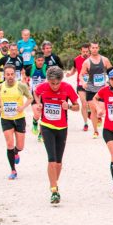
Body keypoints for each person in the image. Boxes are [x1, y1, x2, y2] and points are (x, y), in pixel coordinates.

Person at [32, 66, 79, 204]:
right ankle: (54, 190)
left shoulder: (67, 88)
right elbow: (36, 92)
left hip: (62, 128)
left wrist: (69, 107)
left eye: (57, 83)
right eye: (52, 83)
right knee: (51, 159)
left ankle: (54, 183)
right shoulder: (43, 87)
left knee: (58, 162)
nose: (54, 86)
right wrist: (39, 103)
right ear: (48, 81)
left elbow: (78, 107)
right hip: (47, 126)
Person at [0, 64, 33, 180]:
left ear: (15, 74)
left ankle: (16, 152)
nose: (10, 76)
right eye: (7, 74)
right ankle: (13, 170)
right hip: (6, 119)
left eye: (12, 74)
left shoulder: (21, 85)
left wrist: (23, 107)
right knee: (9, 144)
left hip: (19, 118)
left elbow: (30, 98)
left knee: (20, 146)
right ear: (4, 75)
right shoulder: (0, 87)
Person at [79, 42, 112, 138]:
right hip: (91, 89)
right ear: (90, 49)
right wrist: (83, 82)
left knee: (101, 108)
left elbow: (111, 72)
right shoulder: (87, 62)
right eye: (93, 48)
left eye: (96, 47)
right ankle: (95, 131)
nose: (95, 49)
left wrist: (108, 82)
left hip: (102, 89)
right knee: (93, 110)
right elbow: (81, 74)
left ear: (99, 48)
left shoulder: (105, 60)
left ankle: (101, 120)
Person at [68, 43, 91, 131]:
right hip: (80, 84)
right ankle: (85, 123)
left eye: (87, 52)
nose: (85, 53)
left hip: (91, 84)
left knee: (91, 103)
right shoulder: (76, 59)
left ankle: (91, 112)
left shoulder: (92, 59)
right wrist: (70, 74)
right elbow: (74, 69)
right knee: (84, 103)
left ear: (89, 51)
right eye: (83, 51)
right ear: (81, 51)